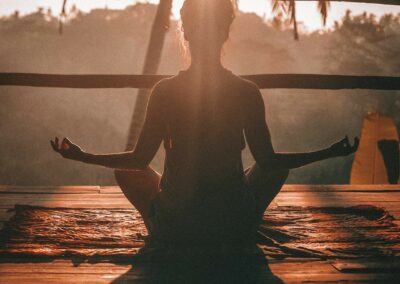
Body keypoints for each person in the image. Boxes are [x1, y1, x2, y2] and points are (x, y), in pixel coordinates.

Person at [51, 0, 358, 247]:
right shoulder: (245, 92)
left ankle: (165, 225)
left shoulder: (165, 91)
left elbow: (139, 160)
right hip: (232, 226)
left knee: (127, 171)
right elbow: (268, 161)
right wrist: (328, 152)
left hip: (175, 228)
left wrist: (83, 156)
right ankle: (245, 222)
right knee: (275, 168)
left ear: (185, 31)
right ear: (226, 32)